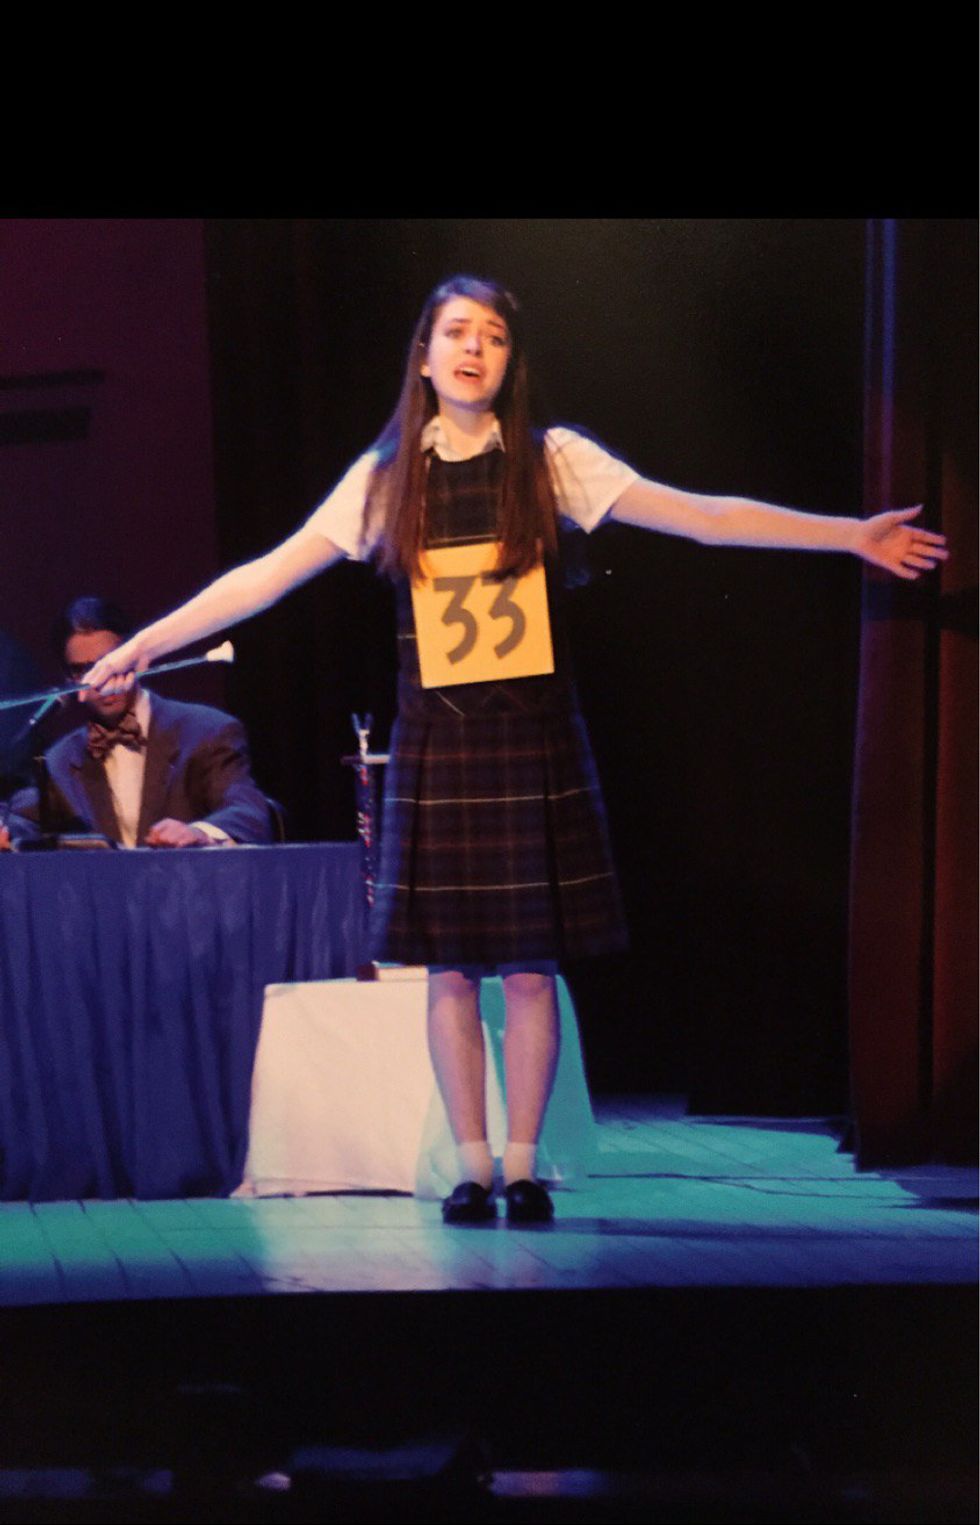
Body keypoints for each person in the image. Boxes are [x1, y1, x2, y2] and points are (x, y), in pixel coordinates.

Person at [78, 275, 948, 1224]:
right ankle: (470, 1166)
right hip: (439, 743)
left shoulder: (553, 460)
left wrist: (847, 535)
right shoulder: (385, 478)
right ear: (424, 356)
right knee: (448, 969)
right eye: (457, 332)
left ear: (509, 362)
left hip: (531, 738)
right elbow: (265, 576)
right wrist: (143, 645)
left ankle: (523, 1167)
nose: (474, 349)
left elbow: (703, 516)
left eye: (493, 337)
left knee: (532, 967)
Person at [0, 596, 273, 849]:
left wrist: (199, 832)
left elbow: (250, 812)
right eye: (84, 670)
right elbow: (24, 819)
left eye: (109, 662)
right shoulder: (61, 759)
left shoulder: (206, 730)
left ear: (134, 659)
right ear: (69, 679)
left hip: (191, 883)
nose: (101, 679)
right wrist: (8, 831)